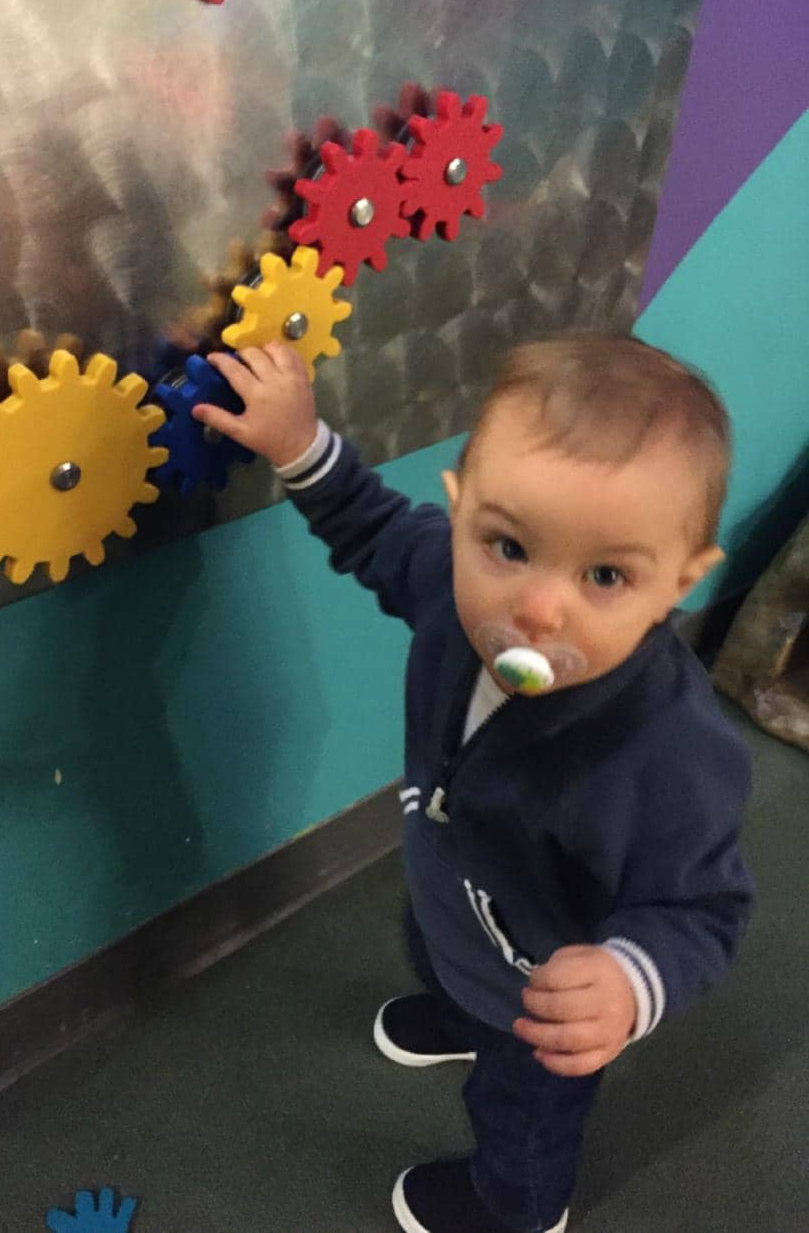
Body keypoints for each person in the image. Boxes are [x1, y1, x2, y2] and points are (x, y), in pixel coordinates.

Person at [192, 332, 754, 1233]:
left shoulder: (668, 748)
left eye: (606, 574)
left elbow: (702, 907)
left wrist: (628, 980)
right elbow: (371, 526)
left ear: (677, 584)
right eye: (509, 545)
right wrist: (299, 443)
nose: (536, 607)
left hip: (543, 995)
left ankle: (517, 1208)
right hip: (459, 896)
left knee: (521, 1113)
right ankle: (455, 1004)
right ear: (461, 517)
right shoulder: (455, 593)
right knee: (432, 944)